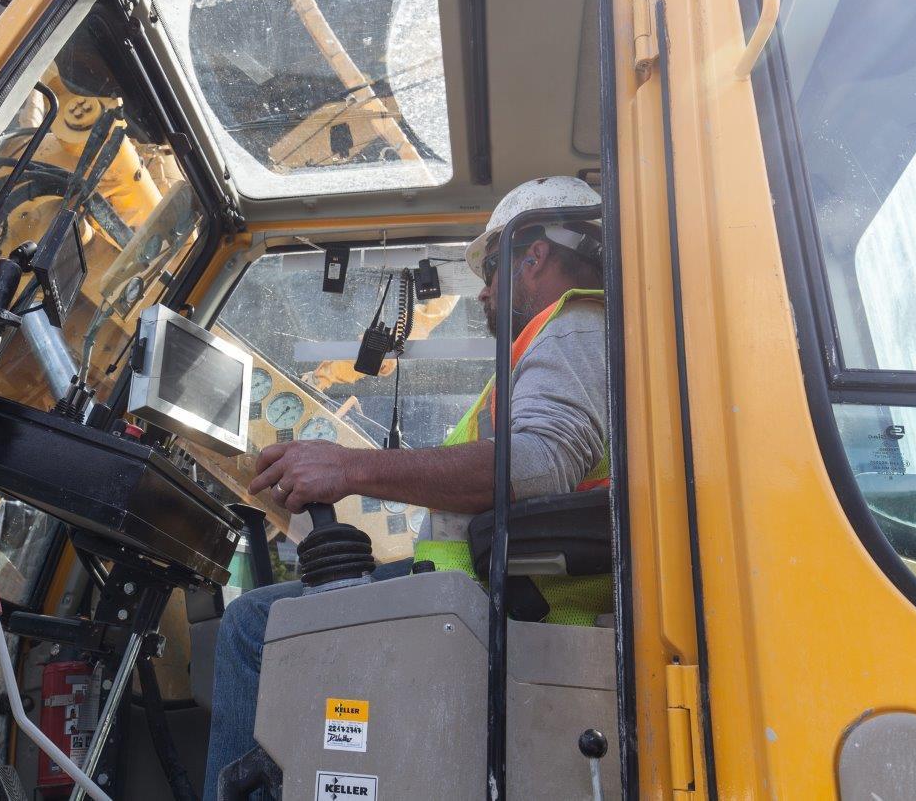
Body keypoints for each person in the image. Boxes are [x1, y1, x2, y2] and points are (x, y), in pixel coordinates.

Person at [201, 177, 610, 800]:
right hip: (483, 603)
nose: (485, 290)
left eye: (492, 269)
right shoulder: (570, 340)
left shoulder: (577, 327)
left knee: (257, 624)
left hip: (495, 622)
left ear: (534, 254)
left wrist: (351, 468)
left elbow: (539, 464)